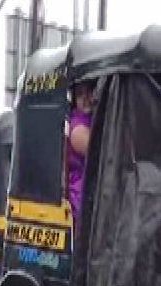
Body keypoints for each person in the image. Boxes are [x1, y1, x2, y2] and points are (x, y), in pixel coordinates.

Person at [68, 81, 94, 235]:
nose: (85, 99)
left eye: (89, 92)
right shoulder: (77, 128)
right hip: (82, 192)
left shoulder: (94, 118)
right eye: (79, 95)